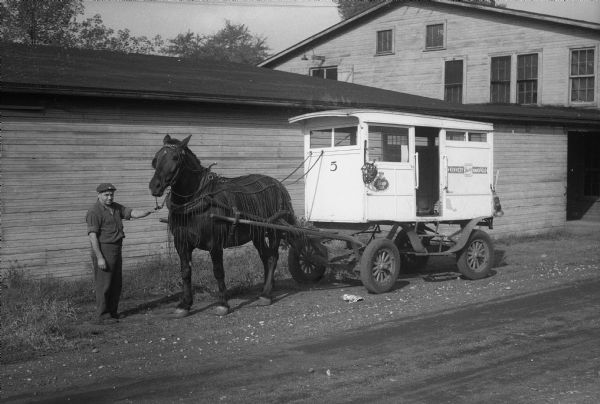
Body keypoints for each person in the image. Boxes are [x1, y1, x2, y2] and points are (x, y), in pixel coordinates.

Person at [86, 183, 153, 325]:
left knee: (116, 283)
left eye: (111, 195)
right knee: (104, 284)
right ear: (99, 195)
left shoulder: (115, 207)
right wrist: (99, 258)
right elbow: (93, 236)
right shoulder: (94, 211)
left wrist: (150, 211)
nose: (110, 197)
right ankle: (102, 315)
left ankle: (112, 312)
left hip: (117, 248)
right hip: (104, 249)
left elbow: (132, 213)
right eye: (106, 195)